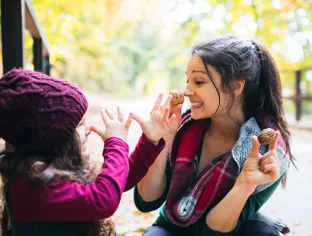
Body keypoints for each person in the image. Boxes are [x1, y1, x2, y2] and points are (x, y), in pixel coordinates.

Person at [131, 36, 293, 236]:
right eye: (187, 80)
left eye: (199, 81)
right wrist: (161, 141)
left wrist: (245, 183)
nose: (187, 91)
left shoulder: (269, 150)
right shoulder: (181, 126)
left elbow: (215, 229)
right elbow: (147, 201)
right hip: (172, 227)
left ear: (235, 86)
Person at [0, 68, 176, 236]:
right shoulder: (32, 187)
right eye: (80, 124)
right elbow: (105, 199)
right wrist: (116, 143)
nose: (87, 131)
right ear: (52, 137)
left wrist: (150, 141)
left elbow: (118, 180)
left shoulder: (49, 171)